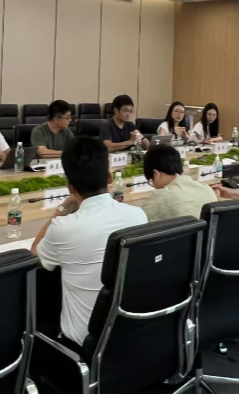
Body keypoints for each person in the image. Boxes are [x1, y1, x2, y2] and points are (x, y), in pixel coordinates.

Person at [32, 137, 147, 346]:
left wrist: (63, 208)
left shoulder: (64, 228)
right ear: (109, 177)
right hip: (133, 329)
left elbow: (34, 255)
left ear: (69, 187)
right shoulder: (138, 215)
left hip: (85, 341)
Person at [141, 144, 216, 221]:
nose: (153, 185)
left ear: (156, 174)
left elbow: (140, 220)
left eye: (151, 181)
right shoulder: (207, 190)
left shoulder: (158, 198)